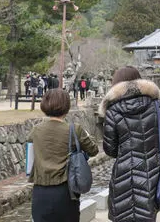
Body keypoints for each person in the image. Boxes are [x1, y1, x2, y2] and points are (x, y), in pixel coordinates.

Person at [100, 66, 160, 222]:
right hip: (152, 172)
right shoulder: (158, 106)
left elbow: (110, 149)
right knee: (147, 214)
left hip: (123, 174)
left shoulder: (112, 111)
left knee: (122, 215)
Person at [28, 89, 99, 222]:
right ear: (66, 107)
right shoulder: (74, 129)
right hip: (66, 191)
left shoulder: (36, 130)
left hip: (40, 191)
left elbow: (30, 158)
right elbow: (94, 150)